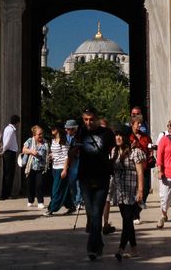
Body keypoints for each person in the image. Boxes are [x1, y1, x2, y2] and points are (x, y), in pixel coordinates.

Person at [68, 106, 117, 261]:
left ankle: (92, 248)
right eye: (85, 119)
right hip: (85, 177)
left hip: (102, 177)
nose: (88, 122)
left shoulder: (107, 133)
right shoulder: (81, 133)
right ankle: (99, 243)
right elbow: (71, 153)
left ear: (96, 118)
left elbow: (116, 149)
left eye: (91, 119)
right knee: (91, 213)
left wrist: (112, 162)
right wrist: (75, 149)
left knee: (96, 213)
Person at [110, 125, 146, 261]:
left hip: (132, 189)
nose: (118, 137)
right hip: (120, 191)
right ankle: (134, 249)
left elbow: (140, 172)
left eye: (120, 135)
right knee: (127, 221)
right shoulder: (114, 151)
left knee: (127, 220)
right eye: (116, 135)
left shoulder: (134, 152)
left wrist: (140, 190)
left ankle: (121, 248)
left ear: (126, 137)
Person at [45, 122, 74, 215]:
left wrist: (65, 169)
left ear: (58, 129)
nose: (52, 130)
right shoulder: (53, 140)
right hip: (54, 167)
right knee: (62, 188)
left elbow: (66, 156)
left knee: (56, 189)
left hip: (61, 167)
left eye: (53, 128)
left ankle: (51, 208)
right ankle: (71, 206)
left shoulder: (64, 142)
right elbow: (55, 153)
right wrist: (51, 156)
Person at [129, 114, 154, 220]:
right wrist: (131, 146)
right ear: (132, 124)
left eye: (140, 123)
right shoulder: (128, 136)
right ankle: (134, 214)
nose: (139, 125)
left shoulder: (145, 136)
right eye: (137, 123)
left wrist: (152, 151)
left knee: (146, 190)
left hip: (145, 166)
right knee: (135, 190)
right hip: (133, 167)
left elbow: (150, 147)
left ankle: (136, 210)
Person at [21, 124, 49, 208]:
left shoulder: (45, 142)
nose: (41, 135)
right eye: (39, 134)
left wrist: (49, 156)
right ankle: (30, 200)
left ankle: (40, 202)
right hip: (30, 167)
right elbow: (24, 150)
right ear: (34, 134)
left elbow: (48, 152)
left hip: (40, 167)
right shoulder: (30, 141)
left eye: (42, 133)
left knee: (39, 184)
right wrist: (32, 151)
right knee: (30, 184)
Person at [0, 114, 20, 199]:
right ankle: (6, 194)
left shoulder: (9, 129)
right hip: (9, 153)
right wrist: (2, 152)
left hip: (9, 152)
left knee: (9, 173)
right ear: (17, 122)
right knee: (9, 174)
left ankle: (7, 193)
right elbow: (6, 142)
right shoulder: (10, 130)